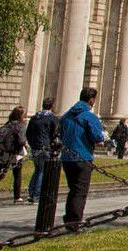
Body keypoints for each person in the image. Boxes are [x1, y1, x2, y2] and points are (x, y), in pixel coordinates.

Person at [59, 87, 106, 229]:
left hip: (67, 157)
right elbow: (97, 137)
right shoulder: (89, 116)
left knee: (72, 189)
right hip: (83, 156)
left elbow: (60, 132)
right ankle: (74, 222)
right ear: (91, 100)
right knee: (80, 191)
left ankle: (69, 218)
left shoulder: (66, 115)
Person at [0, 106, 28, 206]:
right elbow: (21, 140)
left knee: (0, 174)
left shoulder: (7, 124)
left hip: (4, 151)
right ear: (21, 116)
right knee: (17, 174)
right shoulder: (21, 126)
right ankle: (17, 197)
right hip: (15, 152)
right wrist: (25, 145)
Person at [25, 97, 58, 206]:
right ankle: (36, 195)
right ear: (52, 106)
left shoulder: (35, 117)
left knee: (37, 170)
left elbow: (28, 133)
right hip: (45, 147)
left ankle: (31, 193)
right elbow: (55, 133)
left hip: (35, 147)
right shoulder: (52, 118)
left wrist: (32, 145)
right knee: (42, 171)